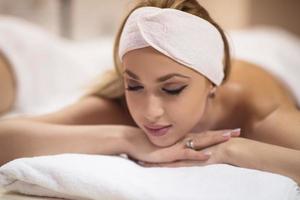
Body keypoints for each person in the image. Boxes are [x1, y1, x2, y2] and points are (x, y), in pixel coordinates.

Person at [0, 0, 299, 184]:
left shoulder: (257, 111)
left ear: (212, 84)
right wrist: (127, 138)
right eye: (135, 85)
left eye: (172, 89)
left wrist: (233, 149)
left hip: (272, 51)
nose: (150, 111)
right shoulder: (116, 103)